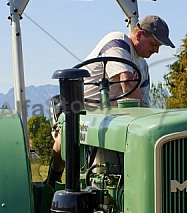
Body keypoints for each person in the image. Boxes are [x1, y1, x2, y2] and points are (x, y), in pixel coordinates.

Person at [47, 15, 174, 186]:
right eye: (154, 44)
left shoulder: (142, 67)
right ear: (139, 35)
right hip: (82, 111)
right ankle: (53, 179)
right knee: (66, 140)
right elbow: (127, 83)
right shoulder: (118, 42)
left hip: (114, 119)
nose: (157, 51)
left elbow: (142, 106)